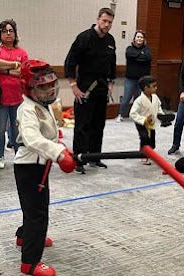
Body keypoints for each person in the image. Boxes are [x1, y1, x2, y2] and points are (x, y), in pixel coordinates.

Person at [14, 60, 76, 276]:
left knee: (32, 208)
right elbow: (32, 139)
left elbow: (47, 134)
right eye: (42, 86)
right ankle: (29, 262)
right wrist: (58, 153)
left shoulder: (42, 105)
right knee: (37, 214)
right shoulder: (27, 109)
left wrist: (59, 145)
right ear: (28, 87)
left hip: (40, 165)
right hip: (29, 167)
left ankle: (24, 237)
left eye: (50, 85)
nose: (48, 90)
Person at [64, 7, 116, 174]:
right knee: (82, 125)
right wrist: (73, 86)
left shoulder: (110, 41)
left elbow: (112, 65)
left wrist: (111, 83)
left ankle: (94, 157)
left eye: (110, 22)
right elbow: (70, 62)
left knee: (98, 125)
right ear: (98, 19)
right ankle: (79, 159)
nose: (107, 24)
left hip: (101, 89)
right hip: (85, 88)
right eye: (104, 21)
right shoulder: (84, 38)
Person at [0, 19, 28, 169]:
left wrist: (4, 69)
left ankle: (17, 156)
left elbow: (24, 71)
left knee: (16, 129)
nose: (8, 34)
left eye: (11, 31)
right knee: (0, 129)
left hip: (17, 98)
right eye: (5, 31)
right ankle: (0, 156)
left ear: (15, 34)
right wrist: (14, 65)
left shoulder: (22, 52)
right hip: (0, 98)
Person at [117, 30, 152, 122]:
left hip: (142, 80)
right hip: (130, 79)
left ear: (144, 39)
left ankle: (137, 116)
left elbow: (147, 57)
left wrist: (137, 56)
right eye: (138, 37)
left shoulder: (147, 50)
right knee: (126, 98)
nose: (139, 39)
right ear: (134, 38)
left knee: (140, 99)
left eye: (141, 37)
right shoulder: (129, 49)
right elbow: (130, 55)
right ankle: (121, 115)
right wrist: (140, 55)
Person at [130, 75, 164, 165]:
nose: (156, 88)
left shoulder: (155, 97)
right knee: (144, 137)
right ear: (146, 88)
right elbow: (132, 113)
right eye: (154, 86)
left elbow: (158, 107)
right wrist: (144, 119)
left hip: (151, 123)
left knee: (152, 140)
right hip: (141, 122)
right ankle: (143, 155)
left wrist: (162, 116)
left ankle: (150, 153)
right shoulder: (139, 100)